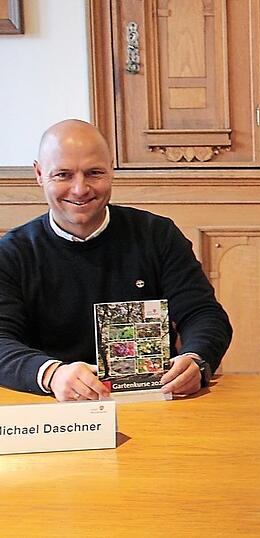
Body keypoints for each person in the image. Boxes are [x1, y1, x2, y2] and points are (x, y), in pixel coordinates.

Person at [0, 119, 232, 401]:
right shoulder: (11, 253)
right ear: (39, 174)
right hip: (54, 407)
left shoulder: (157, 235)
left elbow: (203, 314)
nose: (80, 189)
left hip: (154, 399)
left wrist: (197, 358)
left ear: (111, 168)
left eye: (94, 173)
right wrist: (51, 374)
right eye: (63, 175)